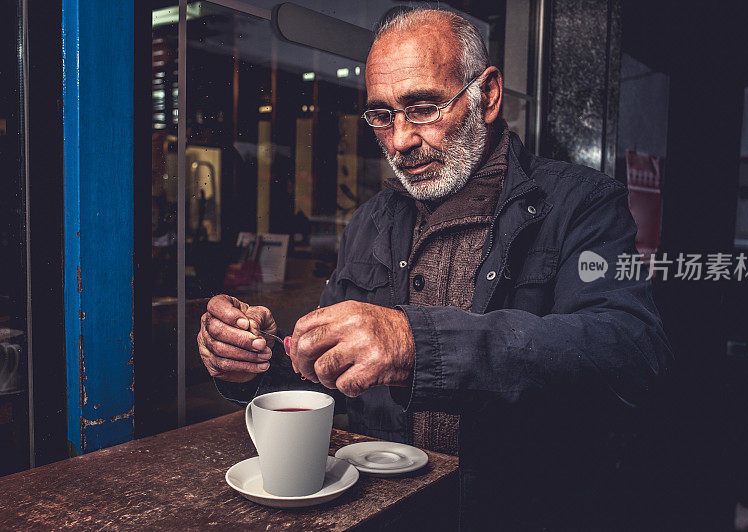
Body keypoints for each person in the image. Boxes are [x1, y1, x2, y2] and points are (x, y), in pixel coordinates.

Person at [198, 7, 672, 529]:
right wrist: (263, 359)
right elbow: (331, 379)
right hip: (382, 511)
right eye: (381, 115)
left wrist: (415, 343)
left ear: (487, 95)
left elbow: (629, 352)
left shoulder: (580, 203)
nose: (400, 140)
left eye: (422, 107)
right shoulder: (370, 223)